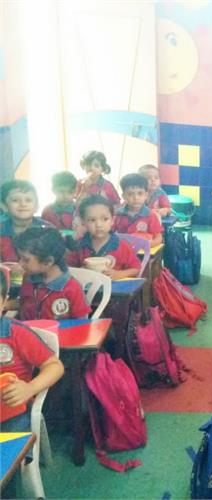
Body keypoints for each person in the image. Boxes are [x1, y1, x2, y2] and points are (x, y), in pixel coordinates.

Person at [0, 266, 65, 433]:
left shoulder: (16, 333)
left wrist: (29, 388)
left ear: (4, 301)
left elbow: (55, 366)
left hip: (11, 413)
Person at [14, 228, 90, 321]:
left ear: (48, 261)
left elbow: (82, 322)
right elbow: (23, 303)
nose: (20, 263)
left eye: (25, 260)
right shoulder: (28, 278)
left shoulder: (72, 288)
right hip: (26, 329)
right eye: (20, 258)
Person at [68, 195, 141, 280]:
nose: (99, 225)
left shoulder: (121, 246)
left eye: (105, 219)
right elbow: (69, 268)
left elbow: (136, 269)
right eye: (92, 220)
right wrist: (81, 271)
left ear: (112, 220)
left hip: (114, 288)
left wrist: (119, 274)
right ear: (83, 222)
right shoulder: (80, 245)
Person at [0, 180, 53, 265]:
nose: (23, 204)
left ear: (36, 206)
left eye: (28, 200)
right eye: (15, 200)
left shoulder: (48, 230)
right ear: (4, 206)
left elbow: (54, 260)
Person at [114, 174, 163, 247]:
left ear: (146, 195)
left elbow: (159, 238)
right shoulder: (117, 215)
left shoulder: (151, 215)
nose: (136, 198)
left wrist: (148, 244)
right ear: (124, 196)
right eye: (130, 194)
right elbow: (108, 234)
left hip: (143, 251)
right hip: (123, 250)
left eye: (140, 193)